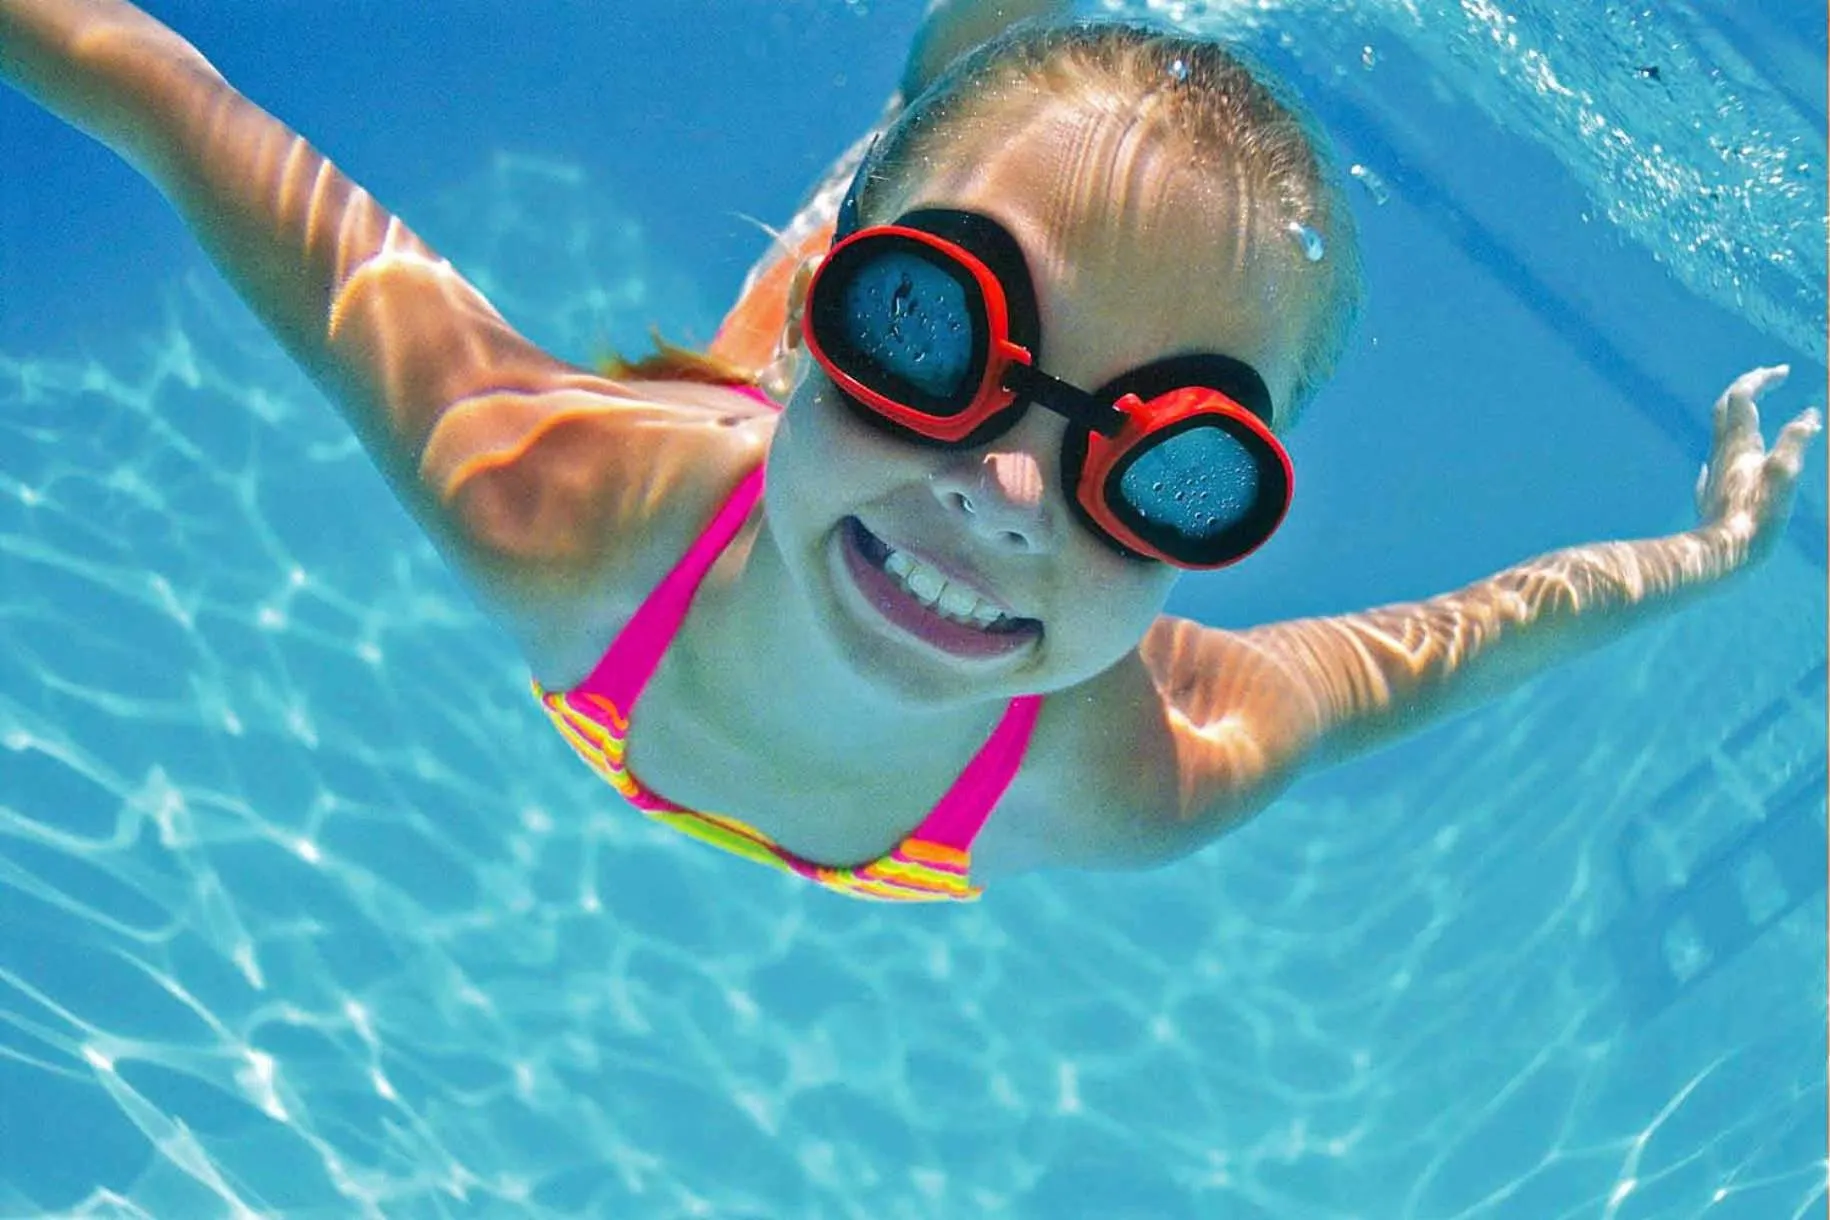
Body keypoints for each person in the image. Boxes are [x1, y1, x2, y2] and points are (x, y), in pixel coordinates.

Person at [1, 0, 1818, 902]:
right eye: (926, 342)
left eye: (1162, 465)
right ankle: (941, 104)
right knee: (804, 300)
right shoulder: (558, 507)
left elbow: (1460, 642)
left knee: (885, 302)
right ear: (835, 332)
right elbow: (187, 115)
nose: (1013, 493)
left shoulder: (1135, 780)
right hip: (711, 491)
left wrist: (1715, 554)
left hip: (782, 516)